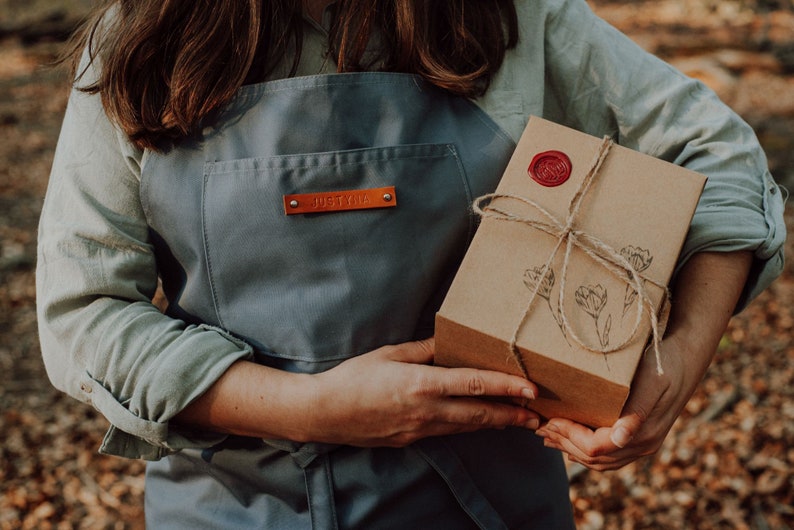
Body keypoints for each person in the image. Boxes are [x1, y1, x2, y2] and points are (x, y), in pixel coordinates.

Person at [36, 0, 785, 527]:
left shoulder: (512, 18)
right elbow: (85, 312)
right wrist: (308, 409)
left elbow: (719, 156)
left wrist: (679, 360)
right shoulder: (136, 46)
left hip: (487, 509)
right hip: (228, 512)